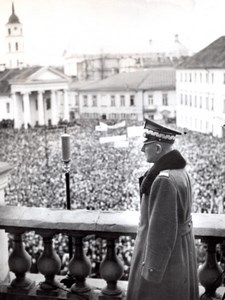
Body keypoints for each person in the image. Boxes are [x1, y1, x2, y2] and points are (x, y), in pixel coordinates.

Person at [126, 118, 199, 300]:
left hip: (165, 262)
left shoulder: (163, 180)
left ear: (158, 148)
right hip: (181, 252)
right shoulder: (181, 172)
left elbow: (161, 232)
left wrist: (152, 271)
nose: (143, 149)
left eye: (146, 145)